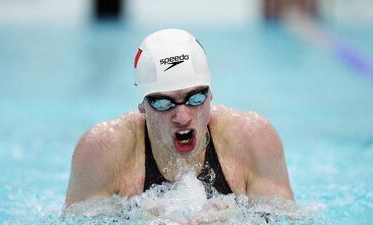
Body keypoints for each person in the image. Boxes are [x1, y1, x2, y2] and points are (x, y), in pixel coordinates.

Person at [65, 28, 294, 208]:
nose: (182, 116)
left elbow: (290, 219)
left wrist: (235, 219)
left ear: (210, 94)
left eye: (194, 98)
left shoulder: (254, 139)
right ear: (142, 106)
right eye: (164, 103)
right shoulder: (101, 151)